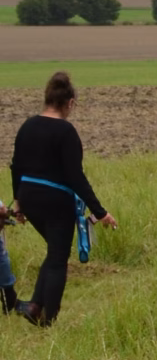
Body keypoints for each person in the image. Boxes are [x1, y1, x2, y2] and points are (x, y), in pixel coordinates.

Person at [10, 71, 115, 326]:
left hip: (28, 195)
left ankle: (35, 305)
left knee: (55, 251)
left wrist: (18, 201)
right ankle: (48, 320)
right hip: (55, 201)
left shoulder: (28, 125)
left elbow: (16, 166)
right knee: (58, 260)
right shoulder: (66, 132)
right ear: (69, 103)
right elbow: (75, 177)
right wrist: (100, 212)